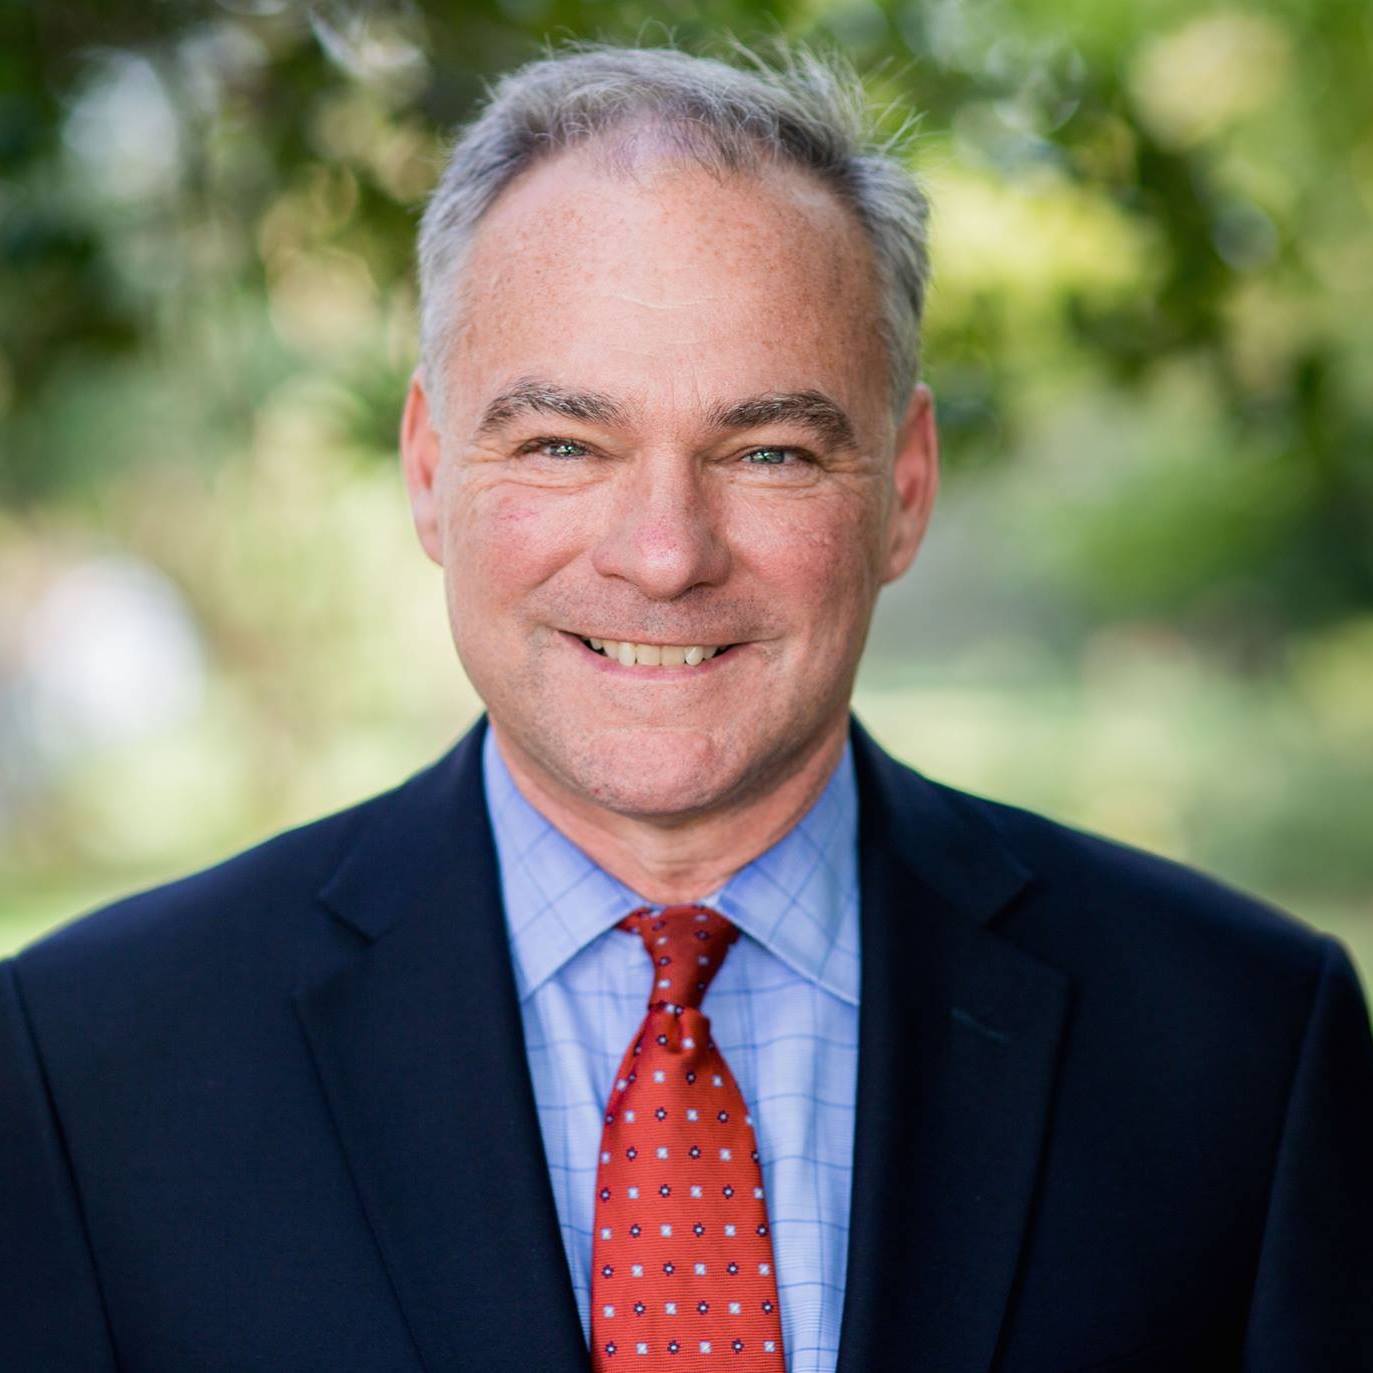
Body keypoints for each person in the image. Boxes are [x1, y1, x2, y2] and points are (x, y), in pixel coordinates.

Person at [2, 41, 1370, 1373]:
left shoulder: (1241, 1042)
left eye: (766, 449)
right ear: (430, 470)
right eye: (562, 443)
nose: (663, 552)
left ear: (900, 487)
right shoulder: (86, 1069)